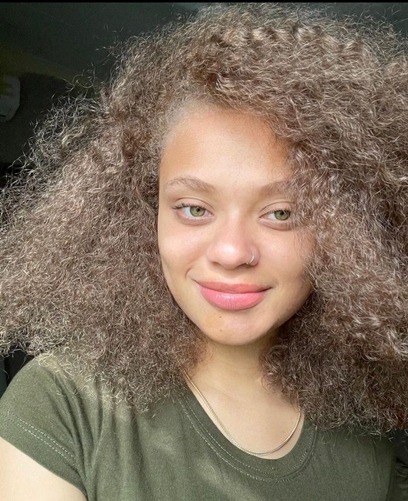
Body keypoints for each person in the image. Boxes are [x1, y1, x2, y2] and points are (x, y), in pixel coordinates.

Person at [0, 2, 407, 499]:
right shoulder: (62, 405)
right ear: (144, 215)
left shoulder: (369, 425)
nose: (232, 252)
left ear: (351, 235)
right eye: (194, 208)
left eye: (282, 213)